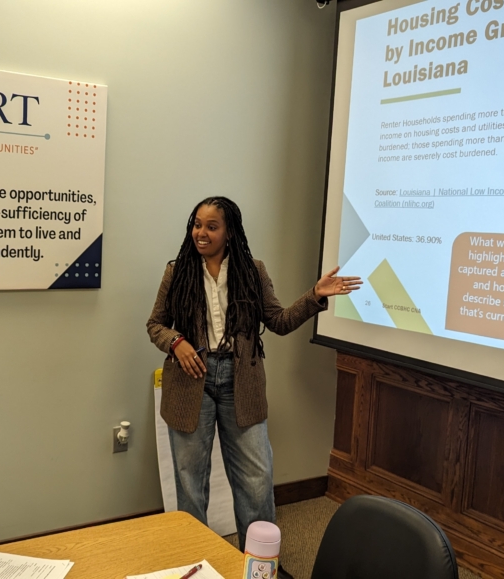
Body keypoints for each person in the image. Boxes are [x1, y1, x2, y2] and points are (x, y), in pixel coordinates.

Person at [146, 196, 361, 553]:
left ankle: (257, 564)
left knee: (256, 481)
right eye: (197, 224)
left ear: (230, 232)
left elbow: (278, 321)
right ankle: (197, 563)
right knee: (190, 484)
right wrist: (176, 342)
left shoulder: (252, 271)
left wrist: (314, 296)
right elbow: (155, 324)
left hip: (240, 381)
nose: (201, 232)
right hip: (189, 382)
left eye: (211, 226)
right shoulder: (177, 271)